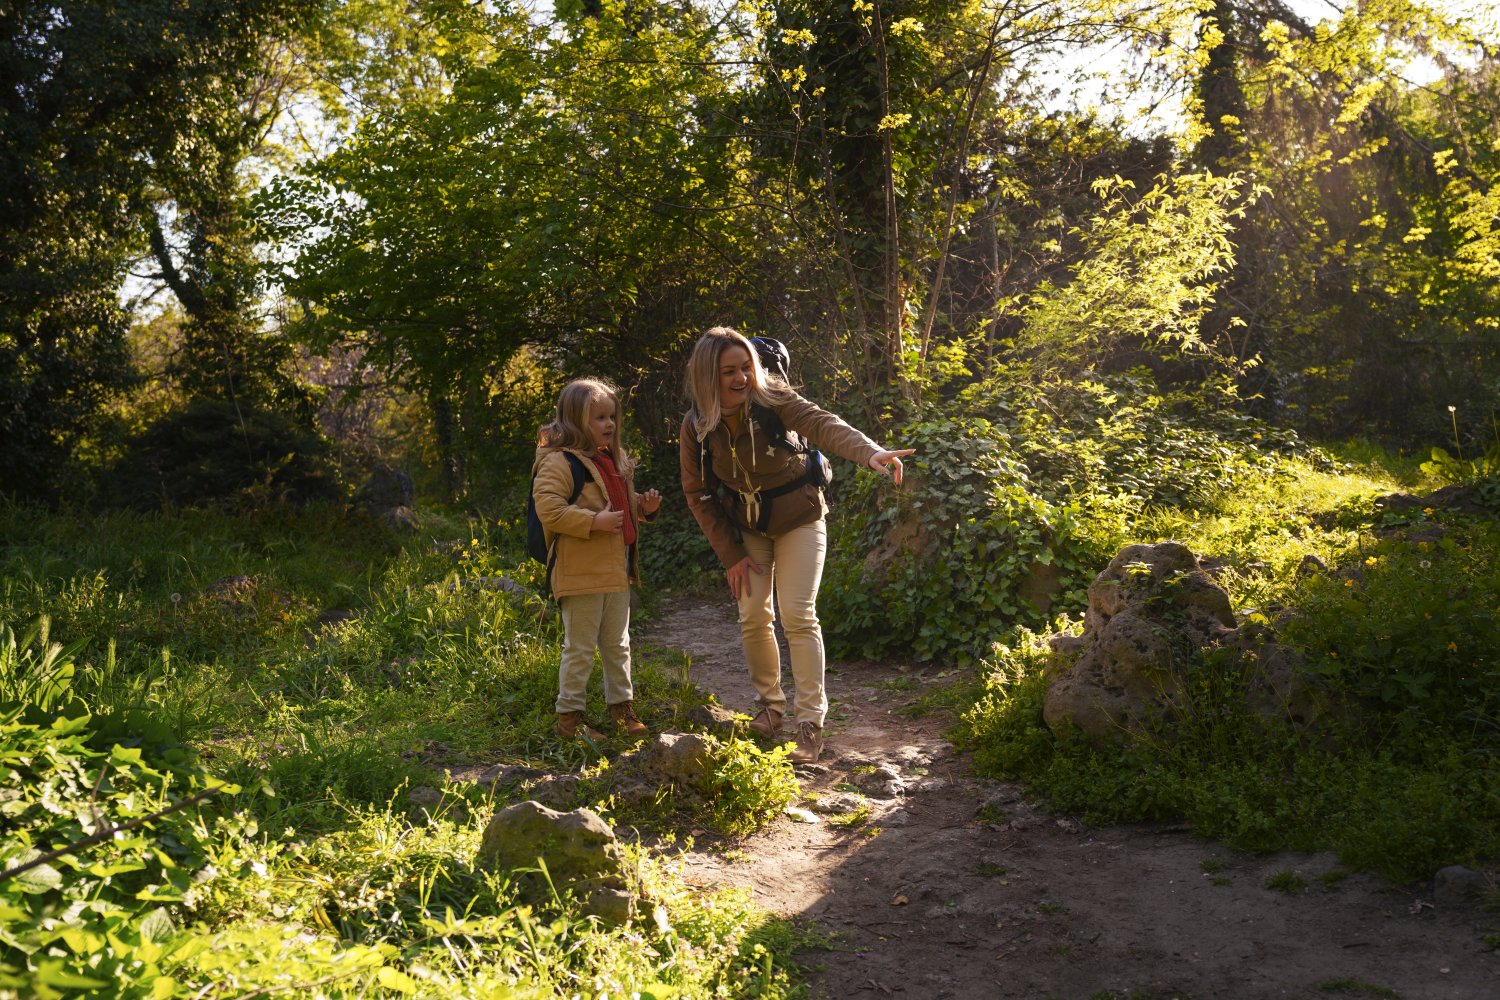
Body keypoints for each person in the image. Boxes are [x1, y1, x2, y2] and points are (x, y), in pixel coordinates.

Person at [679, 327, 913, 763]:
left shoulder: (774, 398)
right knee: (753, 614)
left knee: (798, 614)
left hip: (800, 518)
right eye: (729, 371)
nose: (741, 378)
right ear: (708, 377)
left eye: (746, 367)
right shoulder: (696, 426)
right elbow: (698, 495)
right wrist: (731, 555)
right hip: (747, 528)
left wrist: (870, 453)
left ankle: (810, 724)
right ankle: (771, 708)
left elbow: (823, 423)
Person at [533, 378, 662, 741]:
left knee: (618, 645)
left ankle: (622, 709)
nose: (610, 424)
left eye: (612, 417)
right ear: (576, 420)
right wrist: (594, 522)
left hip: (614, 570)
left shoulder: (609, 460)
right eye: (600, 418)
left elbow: (616, 507)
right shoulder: (559, 462)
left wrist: (643, 508)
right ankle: (569, 720)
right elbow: (549, 511)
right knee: (580, 649)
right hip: (579, 573)